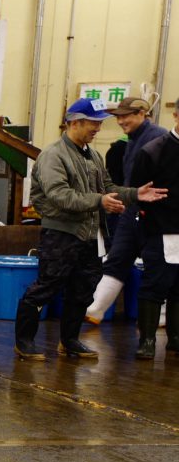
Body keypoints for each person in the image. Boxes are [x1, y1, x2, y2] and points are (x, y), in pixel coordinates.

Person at [17, 98, 166, 360]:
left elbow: (108, 188)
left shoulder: (93, 155)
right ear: (74, 122)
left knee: (83, 288)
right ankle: (25, 341)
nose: (98, 128)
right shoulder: (53, 155)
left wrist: (134, 194)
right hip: (61, 233)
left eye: (99, 123)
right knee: (47, 286)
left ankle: (70, 340)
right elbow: (59, 195)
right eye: (93, 123)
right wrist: (100, 201)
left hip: (89, 234)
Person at [85, 97, 163, 324]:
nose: (120, 121)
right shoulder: (133, 139)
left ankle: (161, 317)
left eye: (125, 115)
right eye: (118, 116)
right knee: (117, 257)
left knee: (157, 265)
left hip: (155, 213)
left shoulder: (157, 137)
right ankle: (96, 309)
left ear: (142, 113)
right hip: (132, 209)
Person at [128, 101, 179, 358]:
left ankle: (176, 338)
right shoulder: (153, 151)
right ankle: (147, 340)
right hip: (161, 231)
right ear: (176, 115)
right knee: (155, 284)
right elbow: (137, 193)